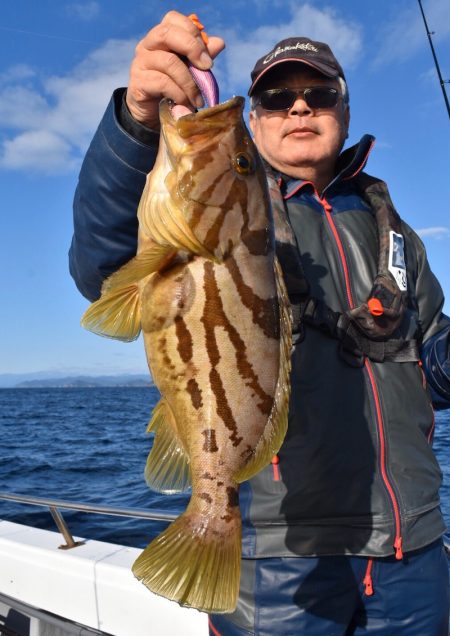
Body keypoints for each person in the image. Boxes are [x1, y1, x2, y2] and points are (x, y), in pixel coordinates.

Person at [69, 10, 450, 636]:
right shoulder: (232, 221)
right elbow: (104, 265)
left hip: (413, 543)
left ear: (345, 112)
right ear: (255, 122)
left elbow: (431, 366)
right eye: (277, 98)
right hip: (278, 559)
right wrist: (138, 123)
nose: (299, 109)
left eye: (319, 94)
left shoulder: (397, 235)